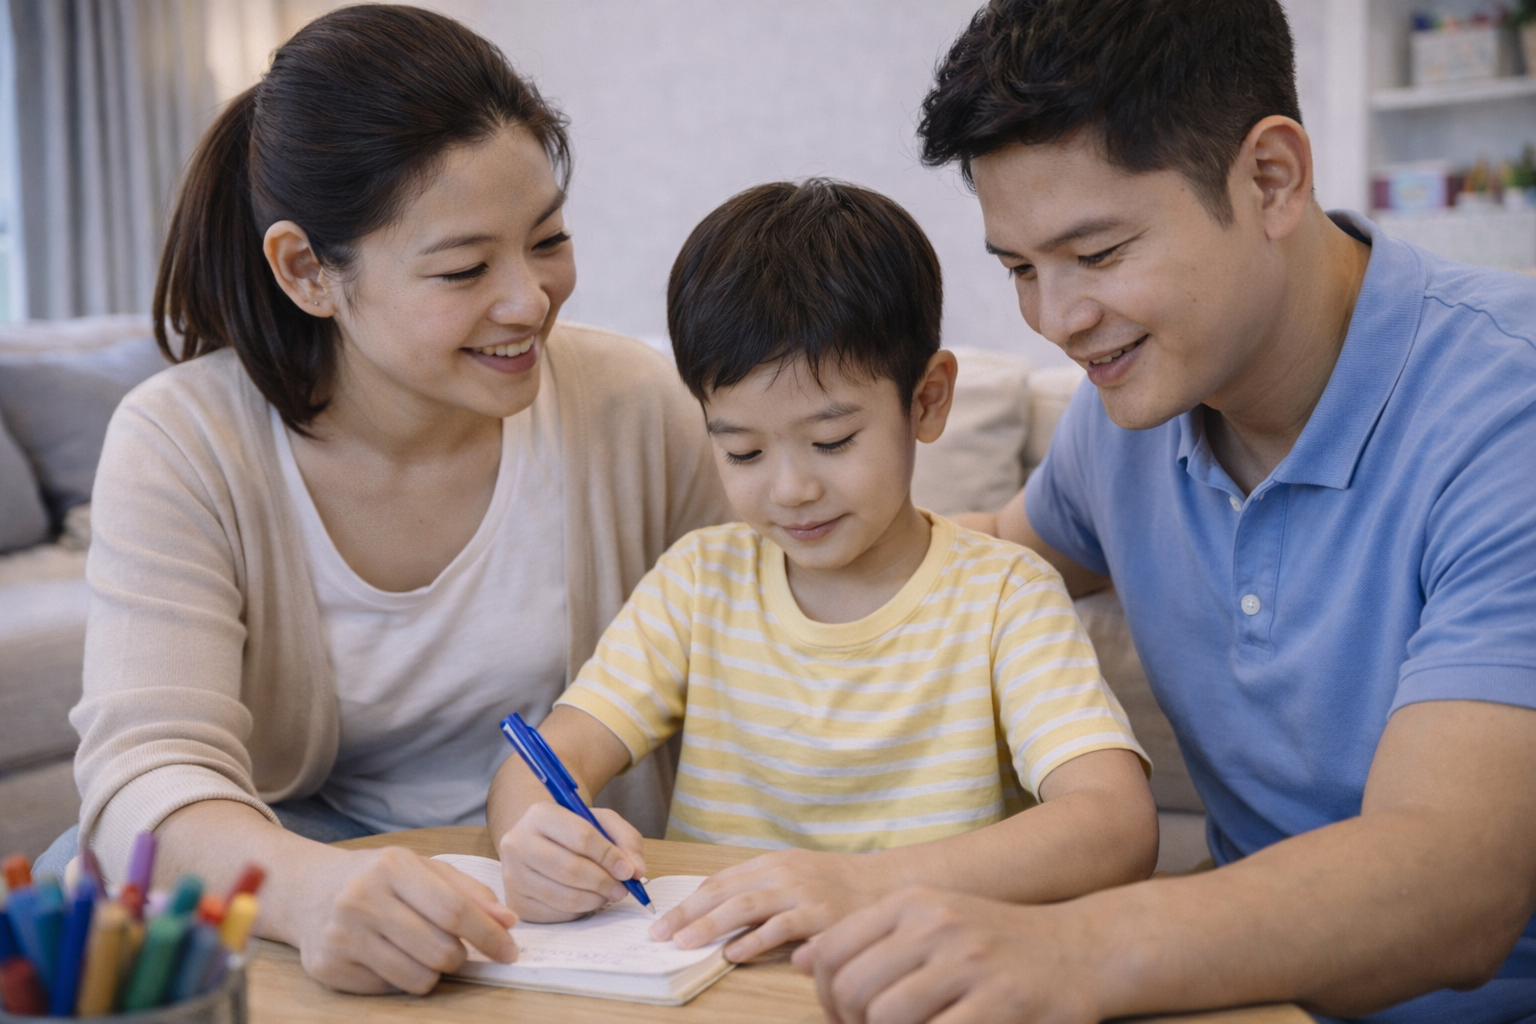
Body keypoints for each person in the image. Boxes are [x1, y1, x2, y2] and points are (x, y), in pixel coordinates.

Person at [793, 2, 1536, 1022]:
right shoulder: (1133, 412)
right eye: (1019, 268)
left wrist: (1073, 945)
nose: (1058, 320)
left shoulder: (1508, 408)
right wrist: (763, 556)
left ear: (1270, 178)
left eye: (1097, 255)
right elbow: (995, 555)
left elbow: (1456, 883)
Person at [59, 5, 730, 997]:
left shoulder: (634, 408)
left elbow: (760, 654)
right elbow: (142, 773)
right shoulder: (184, 439)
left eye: (547, 240)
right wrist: (308, 889)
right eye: (465, 268)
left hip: (580, 916)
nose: (529, 301)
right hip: (304, 901)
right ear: (308, 271)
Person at [485, 179, 1157, 963]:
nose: (790, 488)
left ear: (928, 401)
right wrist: (534, 843)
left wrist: (863, 885)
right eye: (742, 450)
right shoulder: (700, 582)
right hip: (718, 986)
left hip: (916, 984)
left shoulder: (1003, 597)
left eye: (832, 442)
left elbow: (1114, 824)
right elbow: (540, 766)